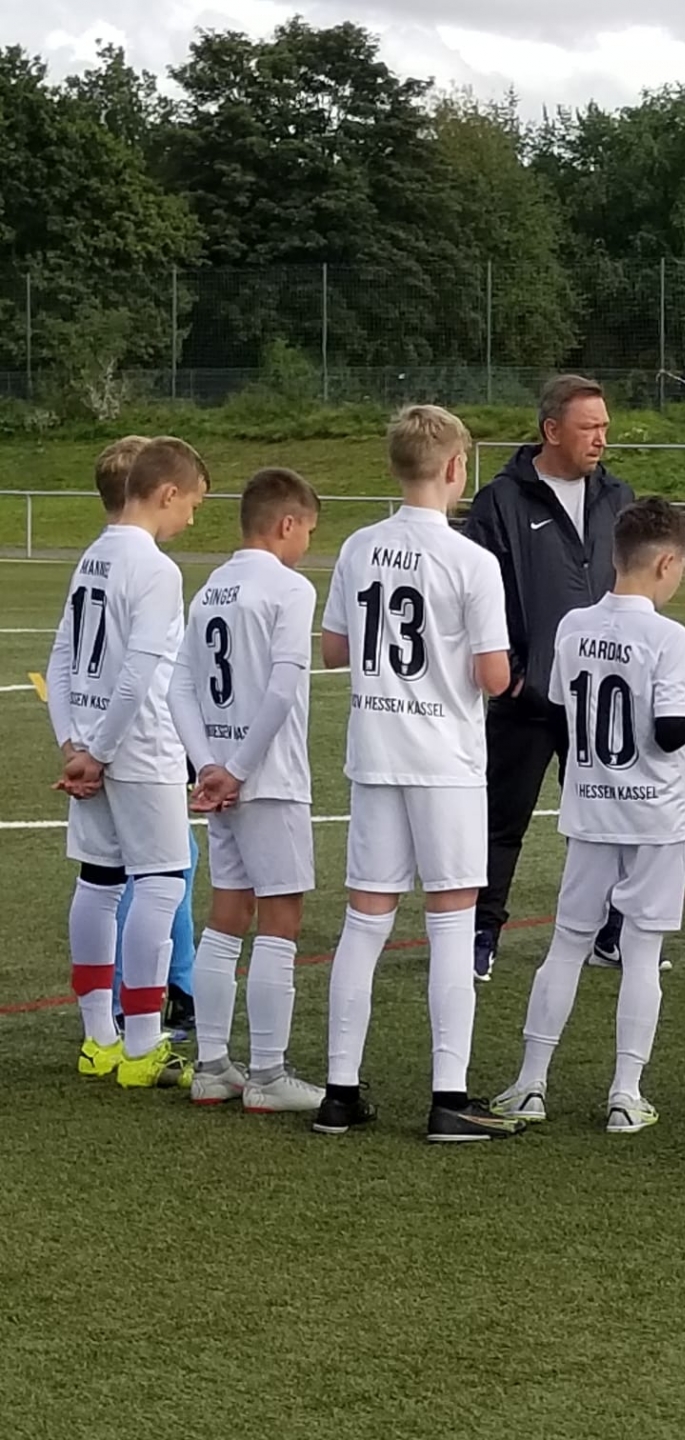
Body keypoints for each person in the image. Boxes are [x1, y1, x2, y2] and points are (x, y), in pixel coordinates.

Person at [314, 405, 521, 1143]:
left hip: (376, 753)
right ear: (457, 468)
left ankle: (340, 1091)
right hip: (444, 761)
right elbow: (494, 677)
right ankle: (448, 1096)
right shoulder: (471, 560)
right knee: (452, 922)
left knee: (365, 921)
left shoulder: (359, 545)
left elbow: (335, 650)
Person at [493, 499, 685, 1134]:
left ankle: (530, 1084)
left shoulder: (574, 625)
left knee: (567, 943)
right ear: (666, 563)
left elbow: (559, 715)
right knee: (641, 953)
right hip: (655, 815)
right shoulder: (669, 636)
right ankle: (625, 1093)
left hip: (590, 808)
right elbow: (668, 732)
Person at [464, 374, 636, 981]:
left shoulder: (617, 495)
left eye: (605, 426)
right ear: (552, 430)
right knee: (500, 820)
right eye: (590, 427)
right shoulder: (500, 501)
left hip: (596, 698)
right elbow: (475, 594)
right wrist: (514, 676)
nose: (601, 438)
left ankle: (608, 930)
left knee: (603, 819)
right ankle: (481, 932)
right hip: (527, 698)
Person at [49, 437, 208, 1088]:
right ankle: (144, 1045)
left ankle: (99, 1039)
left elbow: (61, 658)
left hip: (92, 741)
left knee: (98, 881)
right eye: (192, 504)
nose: (191, 519)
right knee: (162, 882)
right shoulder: (156, 568)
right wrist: (100, 752)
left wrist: (73, 744)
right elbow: (141, 672)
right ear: (166, 494)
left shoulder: (94, 554)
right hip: (140, 748)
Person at [168, 468, 327, 1114]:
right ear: (287, 524)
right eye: (308, 531)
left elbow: (178, 687)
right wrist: (235, 767)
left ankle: (212, 1066)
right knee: (280, 919)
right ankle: (267, 1073)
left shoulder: (211, 586)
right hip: (269, 777)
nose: (307, 546)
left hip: (221, 779)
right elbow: (283, 688)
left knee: (227, 913)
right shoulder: (289, 588)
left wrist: (208, 764)